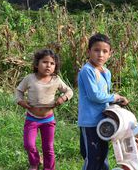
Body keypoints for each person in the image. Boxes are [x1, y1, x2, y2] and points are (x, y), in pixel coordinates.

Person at [77, 33, 129, 170]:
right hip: (89, 122)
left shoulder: (106, 72)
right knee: (92, 158)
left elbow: (105, 96)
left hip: (103, 122)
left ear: (110, 54)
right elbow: (95, 96)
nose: (100, 54)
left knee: (102, 155)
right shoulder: (87, 71)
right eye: (96, 50)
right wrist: (115, 97)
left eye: (105, 51)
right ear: (88, 51)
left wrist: (117, 102)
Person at [15, 49, 73, 170]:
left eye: (52, 63)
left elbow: (69, 91)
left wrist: (63, 98)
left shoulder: (56, 80)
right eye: (45, 62)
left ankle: (49, 167)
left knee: (48, 147)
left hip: (48, 120)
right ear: (37, 64)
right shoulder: (30, 78)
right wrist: (21, 101)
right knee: (29, 144)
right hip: (32, 118)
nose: (48, 65)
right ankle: (35, 162)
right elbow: (19, 90)